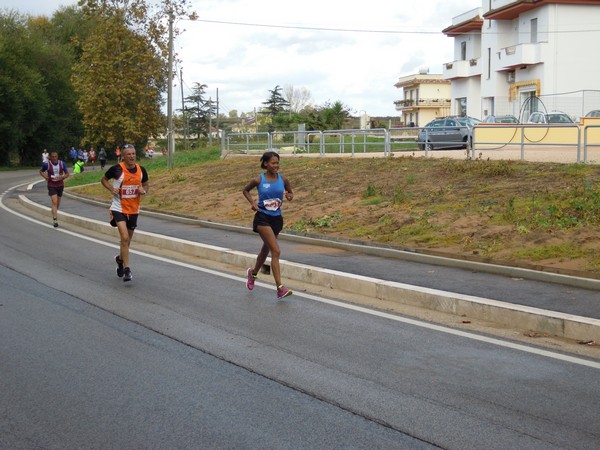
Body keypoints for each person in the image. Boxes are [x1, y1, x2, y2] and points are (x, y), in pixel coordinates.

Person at [242, 151, 294, 299]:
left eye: (277, 163)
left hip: (276, 219)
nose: (275, 165)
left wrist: (289, 196)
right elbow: (245, 190)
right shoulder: (259, 179)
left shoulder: (283, 179)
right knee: (276, 251)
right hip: (262, 218)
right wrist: (252, 203)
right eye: (273, 163)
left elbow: (290, 193)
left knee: (266, 251)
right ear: (265, 164)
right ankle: (280, 288)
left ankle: (253, 273)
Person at [101, 144, 149, 282]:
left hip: (134, 209)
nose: (132, 156)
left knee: (127, 242)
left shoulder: (141, 170)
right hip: (118, 208)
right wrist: (111, 188)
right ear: (123, 156)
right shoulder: (117, 169)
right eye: (128, 154)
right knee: (125, 237)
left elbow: (146, 184)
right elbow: (103, 179)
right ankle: (127, 270)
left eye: (133, 153)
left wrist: (143, 191)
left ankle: (120, 259)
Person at [39, 151, 69, 228]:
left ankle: (54, 211)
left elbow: (67, 174)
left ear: (57, 157)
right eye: (53, 157)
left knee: (57, 202)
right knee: (54, 201)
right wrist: (45, 177)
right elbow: (41, 171)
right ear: (50, 157)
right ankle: (55, 219)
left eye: (56, 156)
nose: (54, 158)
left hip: (60, 185)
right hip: (51, 185)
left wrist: (62, 177)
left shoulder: (62, 164)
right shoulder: (47, 164)